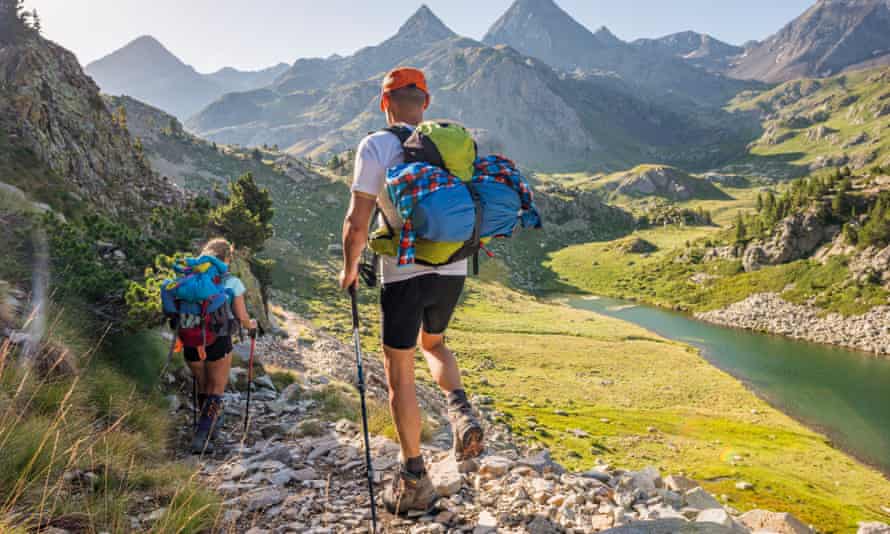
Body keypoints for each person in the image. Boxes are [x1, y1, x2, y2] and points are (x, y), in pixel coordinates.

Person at [339, 67, 484, 515]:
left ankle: (414, 477)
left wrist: (348, 269)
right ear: (426, 103)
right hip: (454, 264)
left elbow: (357, 221)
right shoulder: (448, 148)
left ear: (385, 103)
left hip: (402, 272)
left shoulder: (377, 145)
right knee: (435, 342)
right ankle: (460, 410)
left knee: (399, 369)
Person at [186, 238, 257, 454]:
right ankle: (202, 435)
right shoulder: (232, 282)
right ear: (226, 258)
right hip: (219, 340)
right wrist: (251, 324)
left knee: (202, 383)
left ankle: (209, 422)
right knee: (216, 387)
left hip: (190, 338)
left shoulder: (189, 279)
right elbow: (242, 316)